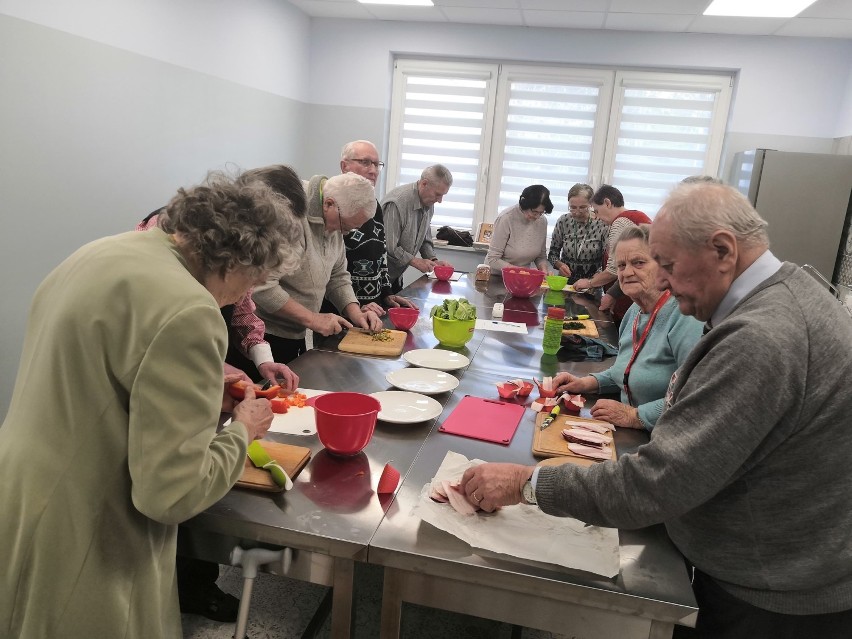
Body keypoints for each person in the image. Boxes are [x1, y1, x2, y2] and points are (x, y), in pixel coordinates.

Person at [459, 182, 852, 638]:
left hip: (775, 596)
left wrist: (527, 482)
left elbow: (658, 482)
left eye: (667, 265)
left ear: (722, 249)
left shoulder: (761, 338)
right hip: (776, 569)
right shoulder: (789, 291)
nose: (662, 281)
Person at [0, 173, 302, 638]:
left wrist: (196, 391)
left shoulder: (100, 252)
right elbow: (171, 494)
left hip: (21, 489)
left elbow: (103, 376)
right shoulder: (189, 309)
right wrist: (241, 429)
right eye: (253, 281)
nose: (244, 297)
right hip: (88, 520)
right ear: (235, 259)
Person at [136, 164, 305, 390]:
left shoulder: (240, 245)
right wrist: (213, 364)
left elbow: (243, 309)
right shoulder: (166, 236)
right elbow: (153, 336)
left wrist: (264, 360)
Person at [552, 225, 702, 430]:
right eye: (621, 265)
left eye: (638, 263)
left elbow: (695, 397)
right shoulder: (634, 311)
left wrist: (635, 416)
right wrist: (587, 383)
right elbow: (627, 372)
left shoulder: (685, 317)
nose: (627, 272)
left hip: (664, 437)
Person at [252, 171, 383, 363]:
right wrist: (313, 319)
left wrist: (356, 313)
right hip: (262, 333)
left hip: (295, 332)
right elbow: (262, 287)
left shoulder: (336, 216)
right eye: (345, 226)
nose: (346, 233)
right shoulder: (290, 216)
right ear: (329, 204)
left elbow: (338, 275)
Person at [332, 140, 417, 315]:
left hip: (373, 306)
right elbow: (330, 273)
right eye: (365, 162)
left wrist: (387, 293)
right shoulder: (333, 204)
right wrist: (354, 307)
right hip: (340, 310)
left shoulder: (375, 205)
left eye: (377, 164)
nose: (373, 170)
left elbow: (381, 256)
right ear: (344, 166)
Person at [573, 184, 651, 322]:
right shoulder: (638, 216)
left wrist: (589, 283)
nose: (596, 217)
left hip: (628, 298)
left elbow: (613, 269)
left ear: (608, 203)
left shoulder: (619, 222)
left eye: (596, 211)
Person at [382, 164, 454, 292]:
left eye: (443, 195)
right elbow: (389, 246)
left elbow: (424, 238)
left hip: (396, 276)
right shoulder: (397, 203)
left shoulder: (428, 202)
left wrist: (434, 261)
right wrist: (415, 261)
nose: (440, 200)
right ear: (424, 184)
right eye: (438, 194)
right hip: (378, 277)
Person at [547, 183, 608, 284]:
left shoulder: (601, 224)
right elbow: (553, 254)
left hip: (592, 283)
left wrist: (594, 279)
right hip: (565, 281)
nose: (577, 212)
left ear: (591, 204)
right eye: (573, 207)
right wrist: (560, 265)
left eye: (582, 207)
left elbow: (607, 261)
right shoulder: (564, 221)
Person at [485, 184, 552, 273]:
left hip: (522, 277)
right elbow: (493, 259)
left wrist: (543, 269)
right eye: (534, 211)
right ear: (525, 204)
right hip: (498, 276)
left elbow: (540, 256)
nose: (537, 216)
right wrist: (519, 271)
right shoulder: (506, 218)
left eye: (541, 213)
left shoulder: (542, 221)